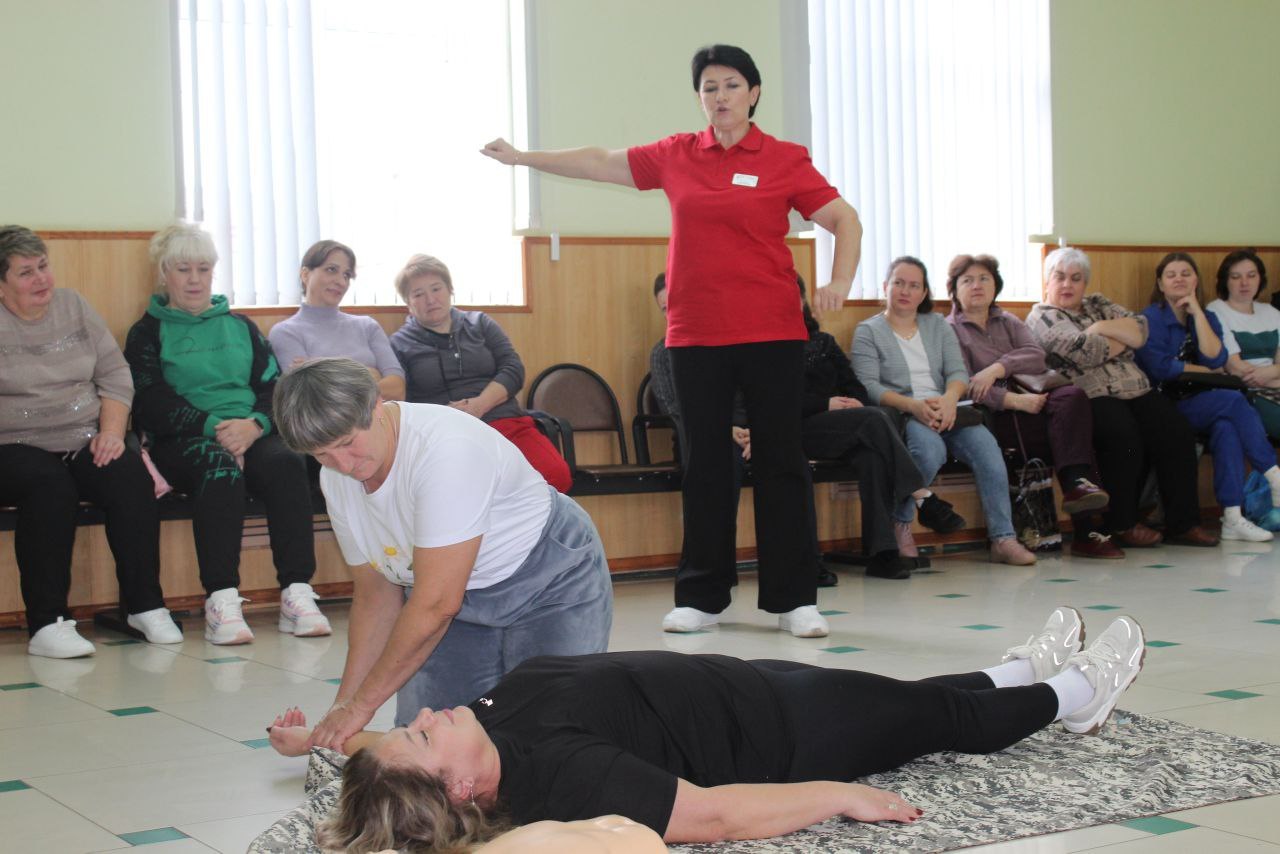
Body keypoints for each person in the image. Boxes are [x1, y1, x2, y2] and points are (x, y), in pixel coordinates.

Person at [482, 44, 863, 638]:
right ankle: (702, 596)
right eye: (709, 87)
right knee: (706, 462)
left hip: (772, 333)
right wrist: (523, 158)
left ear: (754, 93)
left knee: (782, 462)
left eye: (731, 85)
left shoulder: (786, 159)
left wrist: (840, 281)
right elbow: (600, 160)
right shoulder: (678, 154)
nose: (720, 97)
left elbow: (844, 219)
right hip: (695, 336)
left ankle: (796, 598)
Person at [265, 607, 1145, 850]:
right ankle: (1072, 695)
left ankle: (1015, 671)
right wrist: (837, 796)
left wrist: (326, 741)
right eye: (419, 738)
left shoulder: (481, 732)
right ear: (461, 789)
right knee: (937, 720)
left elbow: (370, 791)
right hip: (783, 734)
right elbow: (710, 818)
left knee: (909, 697)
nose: (419, 716)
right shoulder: (560, 781)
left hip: (737, 683)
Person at [271, 357, 613, 751]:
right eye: (322, 455)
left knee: (542, 732)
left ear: (376, 405)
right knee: (428, 742)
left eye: (348, 443)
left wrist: (360, 709)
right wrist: (341, 714)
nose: (344, 465)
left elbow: (435, 606)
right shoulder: (337, 479)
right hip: (453, 600)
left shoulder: (446, 449)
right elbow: (376, 596)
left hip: (550, 584)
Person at [124, 222, 331, 646]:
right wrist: (212, 428)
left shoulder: (241, 327)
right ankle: (221, 598)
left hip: (249, 430)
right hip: (184, 440)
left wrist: (255, 426)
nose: (195, 279)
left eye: (203, 268)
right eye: (183, 269)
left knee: (288, 461)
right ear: (164, 274)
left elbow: (274, 386)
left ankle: (296, 592)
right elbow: (148, 401)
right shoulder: (146, 332)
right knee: (217, 468)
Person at [0, 225, 181, 657]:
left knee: (127, 476)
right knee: (49, 485)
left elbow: (115, 375)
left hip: (83, 436)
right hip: (12, 445)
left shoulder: (74, 306)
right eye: (26, 273)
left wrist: (112, 433)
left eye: (43, 266)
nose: (42, 279)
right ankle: (48, 622)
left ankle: (144, 605)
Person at [649, 273, 837, 589]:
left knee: (790, 460)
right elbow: (675, 408)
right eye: (665, 308)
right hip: (695, 434)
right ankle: (709, 574)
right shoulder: (664, 351)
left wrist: (752, 431)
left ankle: (807, 565)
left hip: (746, 429)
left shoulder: (728, 345)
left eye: (676, 304)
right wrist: (726, 430)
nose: (672, 313)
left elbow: (749, 396)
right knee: (718, 464)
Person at [1025, 247, 1218, 548]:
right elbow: (1085, 351)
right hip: (1090, 393)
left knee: (1176, 431)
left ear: (1084, 283)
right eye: (1059, 277)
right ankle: (1121, 524)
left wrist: (1100, 328)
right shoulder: (1042, 317)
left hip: (1135, 387)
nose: (1067, 285)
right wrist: (1119, 340)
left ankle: (1183, 523)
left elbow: (1141, 330)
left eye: (1076, 279)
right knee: (1123, 435)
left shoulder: (1097, 303)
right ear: (1047, 281)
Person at [852, 257, 1038, 566]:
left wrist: (950, 400)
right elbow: (868, 386)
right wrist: (913, 405)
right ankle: (900, 523)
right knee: (928, 451)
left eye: (914, 285)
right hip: (906, 411)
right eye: (898, 283)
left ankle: (1003, 538)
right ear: (886, 287)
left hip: (949, 407)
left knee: (988, 451)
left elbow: (957, 373)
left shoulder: (937, 324)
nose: (905, 291)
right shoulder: (868, 331)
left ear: (924, 293)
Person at [945, 254, 1118, 559]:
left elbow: (1036, 355)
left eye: (984, 279)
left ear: (995, 286)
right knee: (1072, 440)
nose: (977, 286)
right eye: (967, 280)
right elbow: (962, 385)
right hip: (995, 417)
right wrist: (1011, 400)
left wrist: (998, 368)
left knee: (1073, 399)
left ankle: (1079, 488)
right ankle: (1088, 531)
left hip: (1034, 403)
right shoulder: (949, 331)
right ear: (954, 289)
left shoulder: (1008, 320)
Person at [389, 254, 571, 493]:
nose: (430, 299)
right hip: (446, 435)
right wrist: (446, 417)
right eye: (418, 294)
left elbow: (513, 368)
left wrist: (479, 405)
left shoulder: (480, 323)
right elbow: (402, 402)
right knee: (468, 491)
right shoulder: (399, 344)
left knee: (555, 476)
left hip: (504, 420)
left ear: (450, 290)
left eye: (436, 288)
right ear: (408, 304)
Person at [1135, 252, 1280, 542]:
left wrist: (1197, 314)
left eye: (1186, 273)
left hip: (1202, 400)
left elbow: (1215, 358)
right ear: (1161, 284)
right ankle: (1274, 475)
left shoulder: (1207, 315)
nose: (1179, 279)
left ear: (1196, 281)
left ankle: (1231, 517)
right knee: (1234, 400)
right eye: (1171, 274)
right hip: (1166, 404)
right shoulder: (1151, 318)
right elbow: (1162, 368)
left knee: (1227, 429)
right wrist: (1199, 368)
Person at [795, 278, 926, 579]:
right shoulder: (769, 346)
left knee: (873, 454)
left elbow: (856, 385)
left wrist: (853, 402)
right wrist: (826, 404)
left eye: (796, 295)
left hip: (841, 427)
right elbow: (777, 399)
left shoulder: (824, 342)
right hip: (796, 428)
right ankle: (921, 494)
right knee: (874, 419)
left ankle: (882, 554)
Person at [267, 239, 405, 401]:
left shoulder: (367, 326)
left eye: (346, 275)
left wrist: (322, 367)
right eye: (331, 270)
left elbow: (397, 388)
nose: (341, 282)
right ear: (305, 274)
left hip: (385, 421)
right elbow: (311, 399)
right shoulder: (286, 332)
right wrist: (369, 373)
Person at [1207, 249, 1280, 438]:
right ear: (1226, 281)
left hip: (1273, 384)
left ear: (1260, 279)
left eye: (1251, 275)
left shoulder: (1271, 312)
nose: (1245, 283)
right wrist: (1273, 377)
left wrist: (1270, 376)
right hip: (1246, 392)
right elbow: (1235, 368)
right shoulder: (1216, 310)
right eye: (1236, 277)